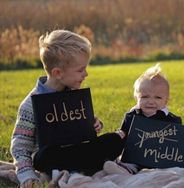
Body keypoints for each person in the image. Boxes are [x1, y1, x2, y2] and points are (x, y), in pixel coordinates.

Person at [10, 29, 125, 188]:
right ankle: (87, 164)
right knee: (44, 157)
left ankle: (84, 164)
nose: (86, 74)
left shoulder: (74, 96)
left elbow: (82, 128)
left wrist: (94, 124)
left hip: (77, 150)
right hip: (51, 157)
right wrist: (26, 174)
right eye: (80, 70)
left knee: (114, 140)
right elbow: (20, 146)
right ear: (58, 73)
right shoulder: (31, 105)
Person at [103, 64, 184, 175]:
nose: (151, 101)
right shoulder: (131, 117)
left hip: (166, 159)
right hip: (138, 157)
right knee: (128, 162)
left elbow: (183, 140)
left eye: (158, 97)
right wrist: (118, 138)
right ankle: (123, 170)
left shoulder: (171, 119)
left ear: (166, 101)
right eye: (145, 97)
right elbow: (123, 136)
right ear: (136, 98)